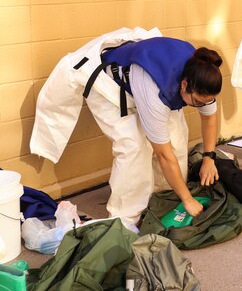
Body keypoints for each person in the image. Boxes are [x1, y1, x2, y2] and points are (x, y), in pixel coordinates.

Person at [32, 32, 223, 230]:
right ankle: (124, 219)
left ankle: (162, 200)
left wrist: (209, 157)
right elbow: (164, 155)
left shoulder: (201, 72)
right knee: (134, 147)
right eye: (198, 102)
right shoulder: (155, 92)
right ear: (184, 85)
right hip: (110, 85)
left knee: (177, 140)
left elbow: (209, 117)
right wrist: (188, 198)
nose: (201, 105)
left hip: (147, 80)